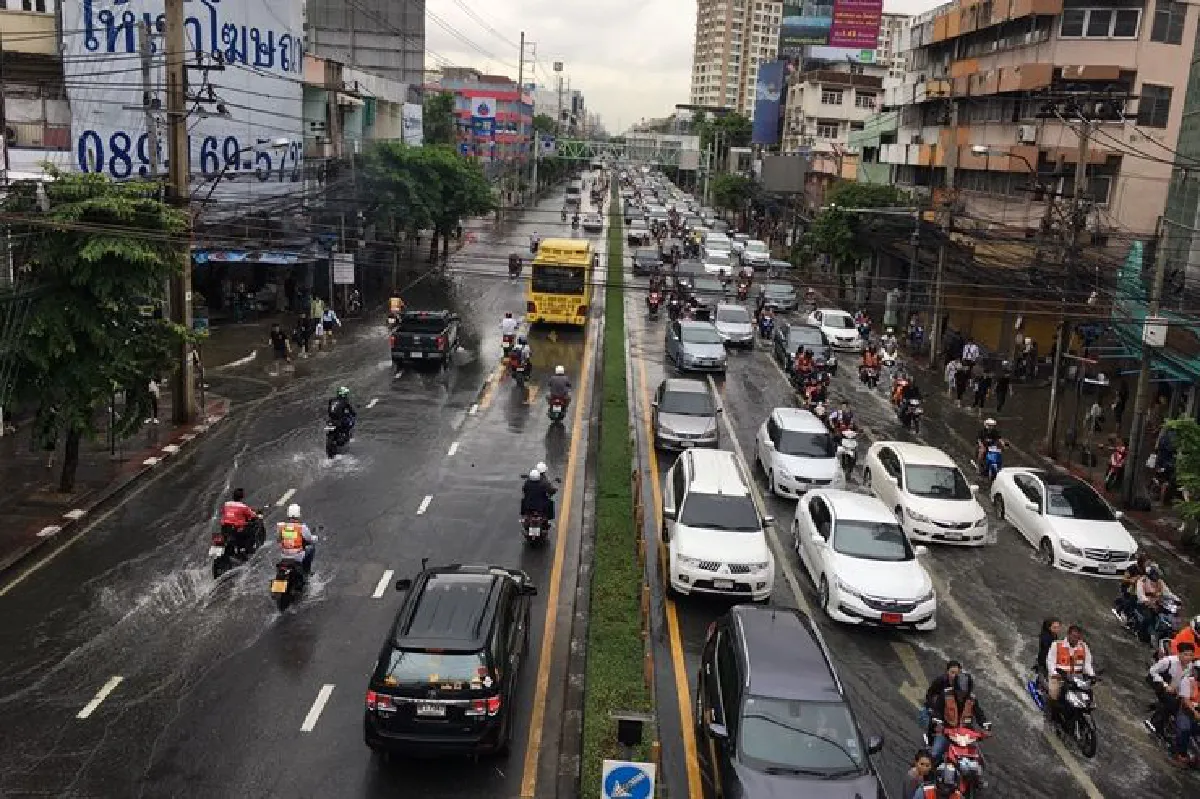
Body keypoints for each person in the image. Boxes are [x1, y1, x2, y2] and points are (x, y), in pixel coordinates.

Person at [923, 660, 987, 764]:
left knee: (979, 761)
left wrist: (986, 727)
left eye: (964, 694)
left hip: (965, 735)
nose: (961, 696)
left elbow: (980, 715)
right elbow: (937, 711)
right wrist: (938, 722)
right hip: (947, 732)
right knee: (934, 755)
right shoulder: (945, 694)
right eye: (959, 693)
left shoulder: (972, 699)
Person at [1045, 625, 1095, 724]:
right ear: (1068, 635)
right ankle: (1050, 715)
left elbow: (1087, 664)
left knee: (1088, 696)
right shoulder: (1057, 645)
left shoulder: (1084, 647)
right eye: (1073, 636)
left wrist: (1092, 675)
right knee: (1054, 694)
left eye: (1078, 637)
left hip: (1077, 679)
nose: (1075, 639)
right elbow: (1050, 661)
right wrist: (1054, 673)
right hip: (1060, 677)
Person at [1147, 641, 1195, 736]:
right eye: (1186, 655)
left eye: (1191, 655)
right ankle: (1154, 723)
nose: (1188, 658)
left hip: (1173, 687)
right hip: (1159, 682)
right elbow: (1152, 671)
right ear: (1179, 654)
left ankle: (1165, 723)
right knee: (1170, 701)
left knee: (1178, 703)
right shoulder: (1168, 661)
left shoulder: (1189, 667)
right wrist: (1164, 685)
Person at [1137, 564, 1178, 643]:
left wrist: (1177, 599)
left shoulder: (1160, 582)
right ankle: (1141, 633)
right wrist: (1146, 601)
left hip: (1157, 603)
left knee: (1171, 616)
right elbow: (1140, 594)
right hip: (1144, 604)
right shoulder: (1142, 581)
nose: (1157, 577)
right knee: (1148, 618)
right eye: (1155, 575)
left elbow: (1168, 593)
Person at [277, 503, 316, 574]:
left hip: (284, 556)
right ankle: (307, 572)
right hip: (297, 556)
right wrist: (315, 538)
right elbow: (309, 539)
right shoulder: (301, 527)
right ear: (299, 514)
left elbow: (279, 540)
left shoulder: (282, 527)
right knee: (311, 548)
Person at [219, 488, 261, 552]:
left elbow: (223, 512)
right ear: (242, 497)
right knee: (252, 530)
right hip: (236, 530)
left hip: (225, 528)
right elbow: (253, 516)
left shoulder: (226, 504)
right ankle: (248, 549)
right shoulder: (243, 507)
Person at [1174, 664, 1200, 766]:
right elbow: (1185, 700)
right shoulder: (1187, 681)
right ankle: (1181, 754)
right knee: (1185, 729)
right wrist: (1195, 712)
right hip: (1186, 712)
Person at [1034, 618, 1063, 684]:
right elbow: (1048, 648)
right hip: (1044, 662)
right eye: (1055, 627)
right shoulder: (1045, 637)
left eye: (1058, 627)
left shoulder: (1054, 635)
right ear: (1049, 628)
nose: (1057, 629)